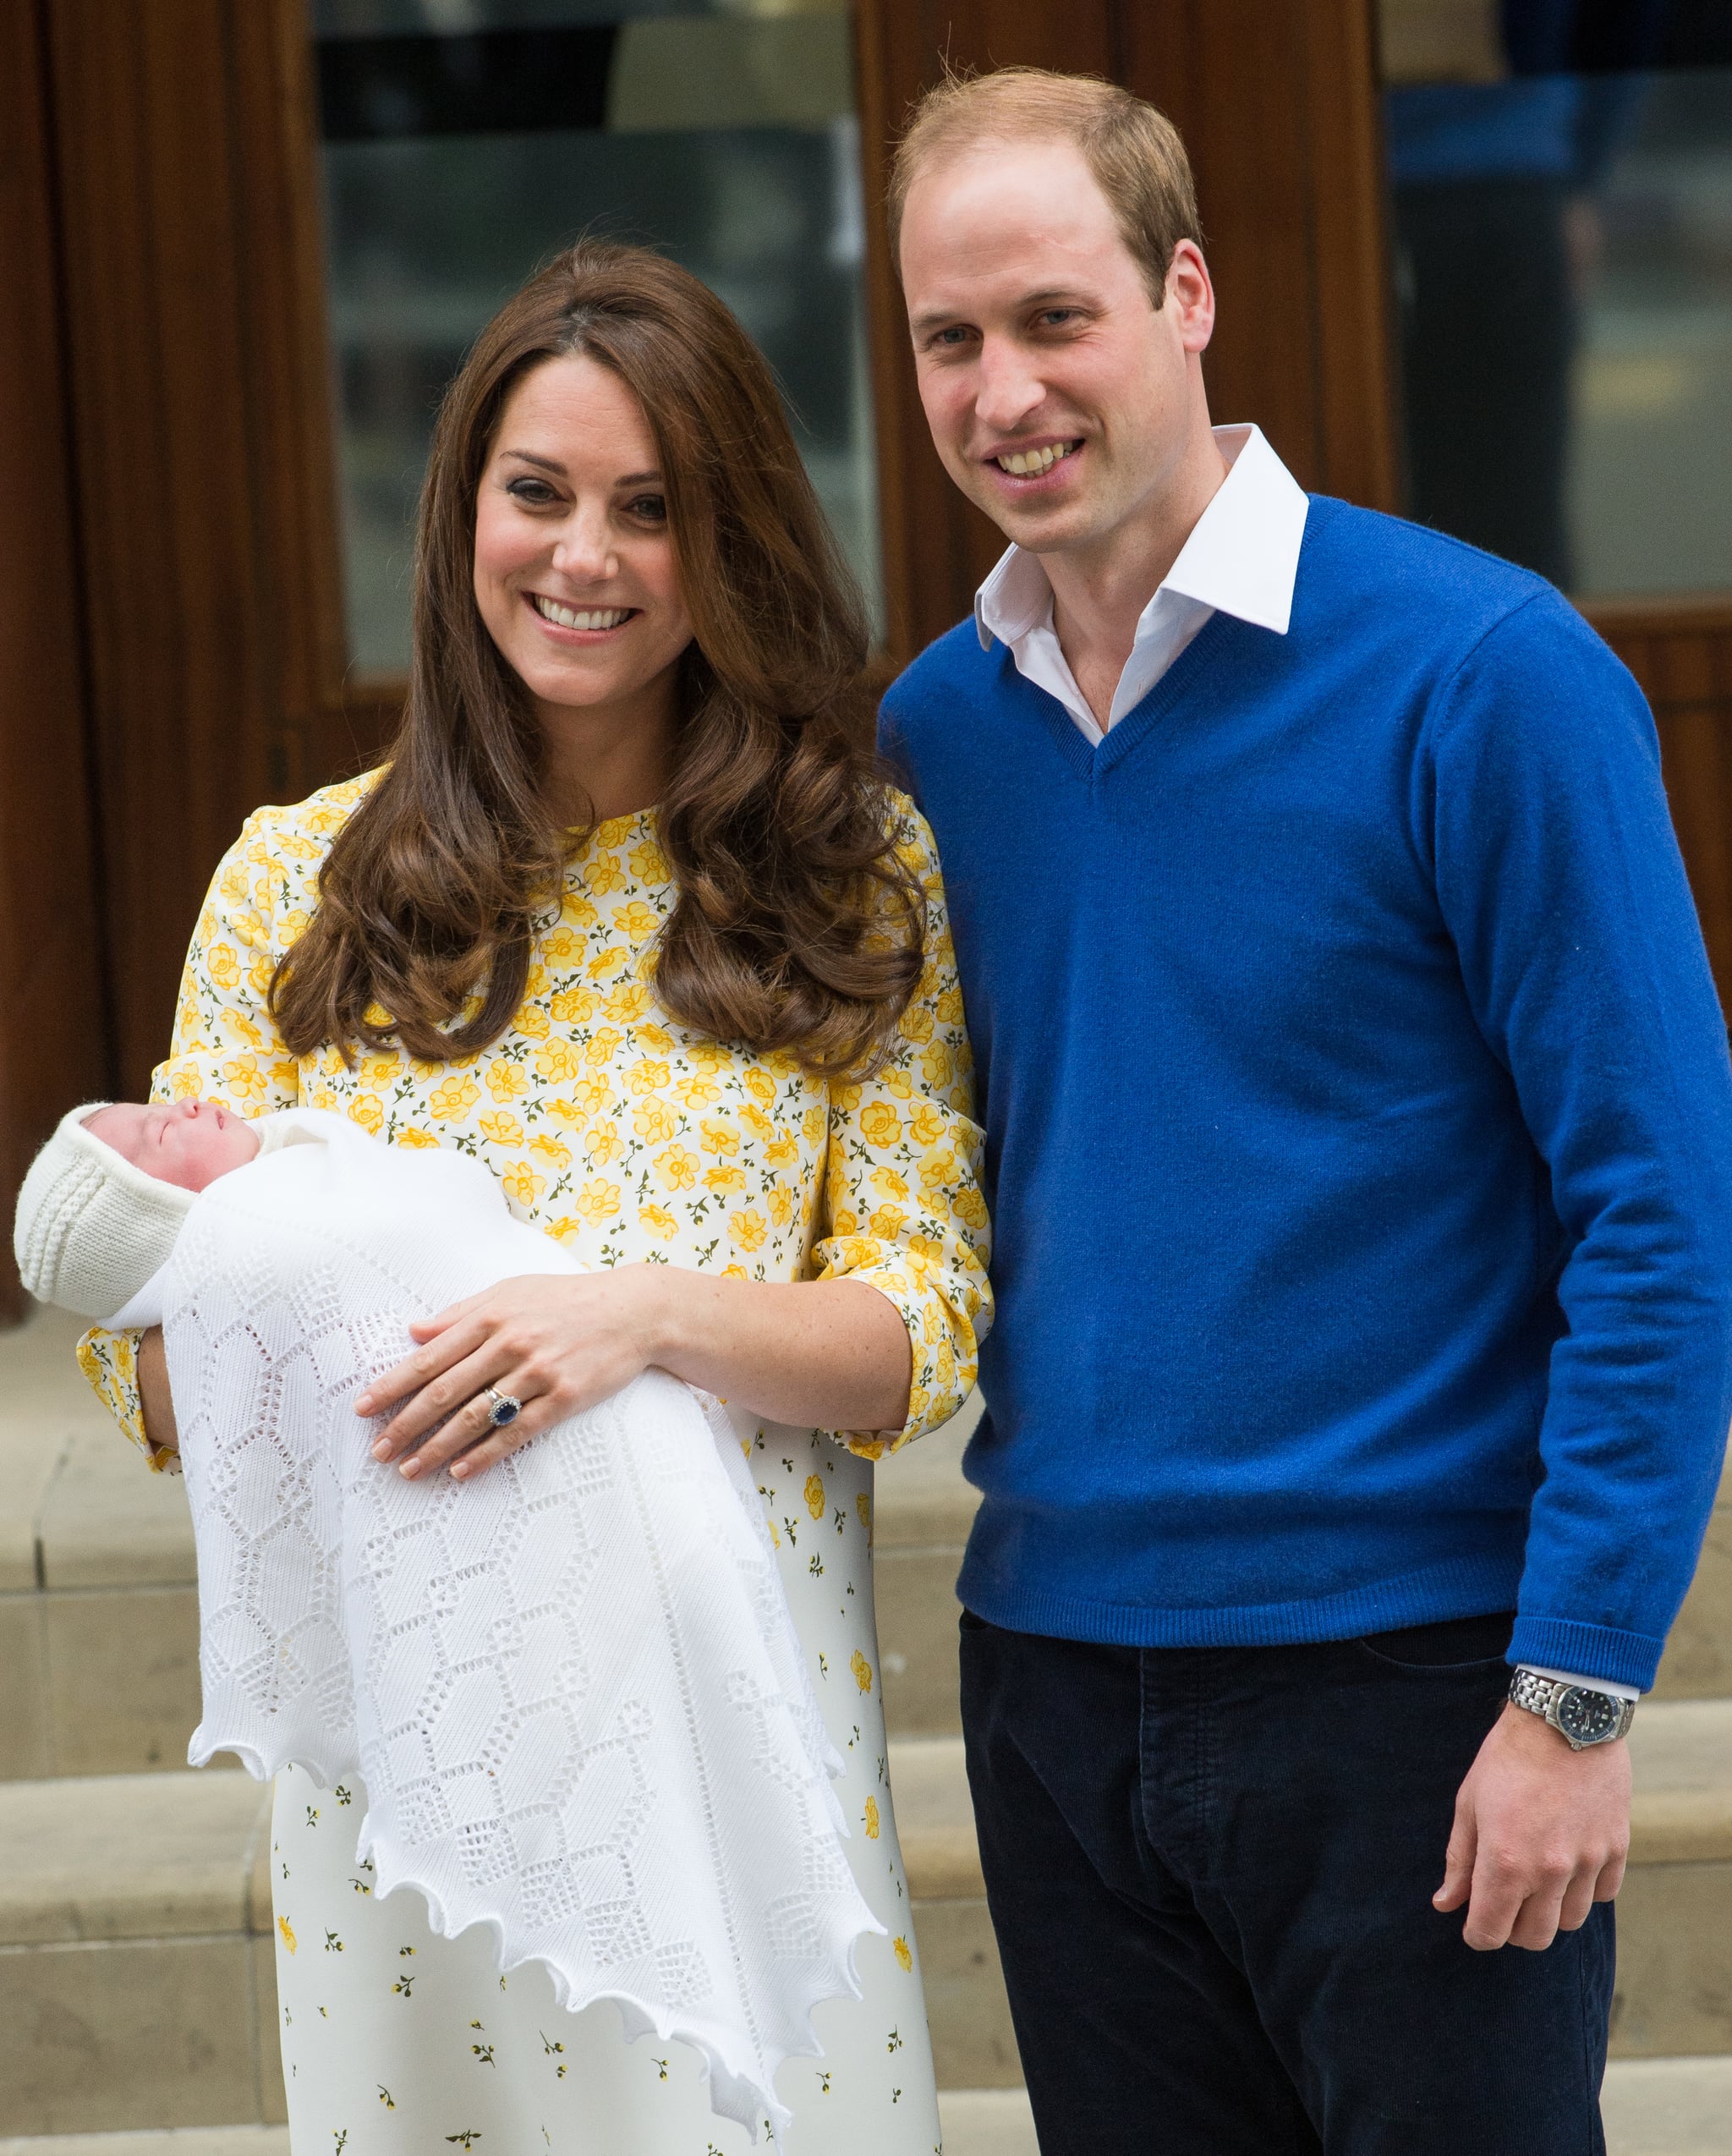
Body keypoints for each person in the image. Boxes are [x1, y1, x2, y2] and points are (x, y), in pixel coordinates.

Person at [875, 66, 1732, 2156]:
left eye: (1053, 318)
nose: (1003, 392)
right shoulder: (931, 737)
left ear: (1184, 293)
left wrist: (1573, 1693)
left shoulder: (1481, 674)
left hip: (1414, 1688)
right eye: (946, 339)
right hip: (1054, 1680)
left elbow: (1662, 1206)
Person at [74, 240, 990, 2153]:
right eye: (539, 493)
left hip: (736, 1744)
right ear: (460, 513)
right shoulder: (293, 877)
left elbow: (915, 1331)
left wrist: (634, 1318)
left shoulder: (849, 869)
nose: (584, 556)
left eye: (650, 510)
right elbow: (150, 1378)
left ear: (725, 535)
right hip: (414, 1791)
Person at [18, 1094, 880, 2141]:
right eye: (149, 1136)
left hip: (735, 1600)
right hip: (422, 1739)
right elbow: (143, 1343)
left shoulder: (863, 933)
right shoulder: (273, 1042)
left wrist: (645, 1313)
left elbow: (925, 1318)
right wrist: (300, 1299)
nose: (176, 1104)